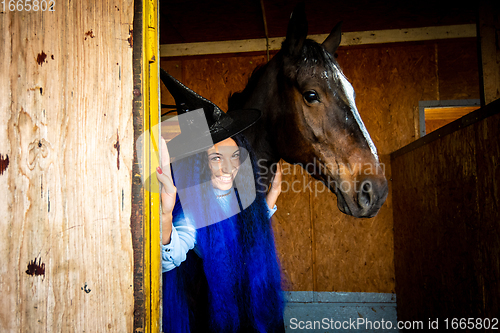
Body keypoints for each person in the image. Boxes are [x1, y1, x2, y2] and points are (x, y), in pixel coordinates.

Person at [156, 70, 285, 333]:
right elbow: (172, 258)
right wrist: (166, 216)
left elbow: (243, 226)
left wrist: (269, 200)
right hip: (219, 310)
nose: (228, 167)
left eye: (233, 156)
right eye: (216, 158)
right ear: (199, 165)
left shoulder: (240, 196)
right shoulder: (194, 210)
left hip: (248, 301)